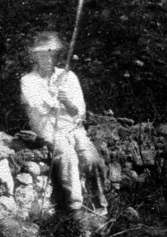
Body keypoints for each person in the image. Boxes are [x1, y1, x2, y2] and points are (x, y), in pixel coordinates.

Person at [18, 31, 108, 217]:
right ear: (35, 56)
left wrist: (67, 102)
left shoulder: (69, 77)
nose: (48, 59)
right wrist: (54, 93)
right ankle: (74, 210)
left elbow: (80, 111)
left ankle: (99, 207)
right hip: (48, 131)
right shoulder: (28, 81)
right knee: (68, 158)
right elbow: (38, 108)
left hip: (73, 129)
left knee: (92, 159)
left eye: (52, 54)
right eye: (43, 54)